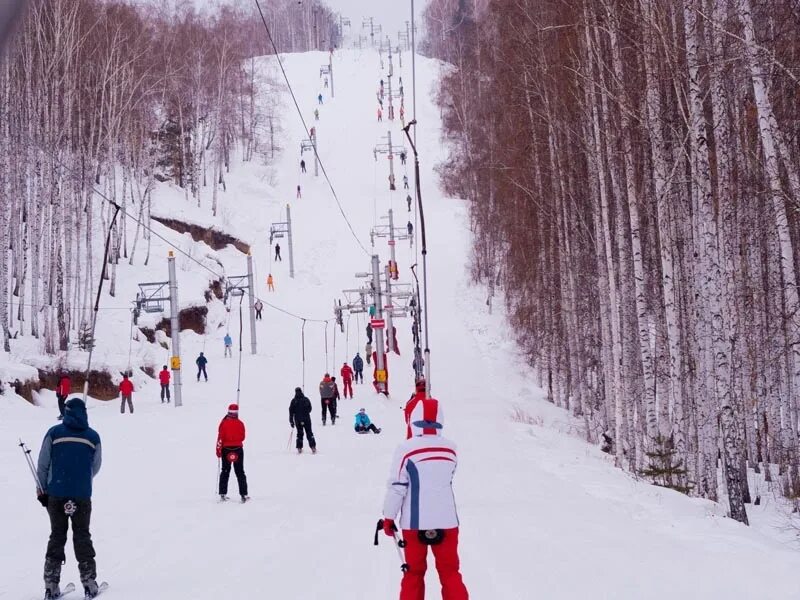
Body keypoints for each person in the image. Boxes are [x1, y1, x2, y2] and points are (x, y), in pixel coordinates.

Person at [381, 399, 468, 600]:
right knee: (450, 572)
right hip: (447, 521)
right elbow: (449, 477)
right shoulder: (451, 449)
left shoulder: (406, 449)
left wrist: (388, 517)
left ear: (414, 419)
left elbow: (397, 486)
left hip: (414, 523)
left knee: (413, 573)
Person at [37, 397, 103, 599]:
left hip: (56, 493)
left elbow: (43, 462)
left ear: (66, 412)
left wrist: (42, 488)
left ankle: (51, 584)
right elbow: (96, 465)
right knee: (82, 535)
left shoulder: (54, 433)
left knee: (57, 535)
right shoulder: (93, 437)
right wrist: (81, 478)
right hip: (81, 494)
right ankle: (89, 582)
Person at [216, 404, 249, 502]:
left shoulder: (224, 423)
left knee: (225, 471)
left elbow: (220, 438)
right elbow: (243, 437)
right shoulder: (240, 423)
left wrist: (218, 451)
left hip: (226, 449)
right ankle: (243, 494)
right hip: (238, 449)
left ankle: (222, 493)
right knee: (240, 472)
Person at [289, 387, 316, 454]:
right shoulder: (306, 399)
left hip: (298, 420)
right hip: (307, 419)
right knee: (309, 433)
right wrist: (306, 412)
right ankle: (313, 447)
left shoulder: (293, 401)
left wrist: (291, 421)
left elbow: (291, 411)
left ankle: (299, 447)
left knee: (299, 433)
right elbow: (310, 409)